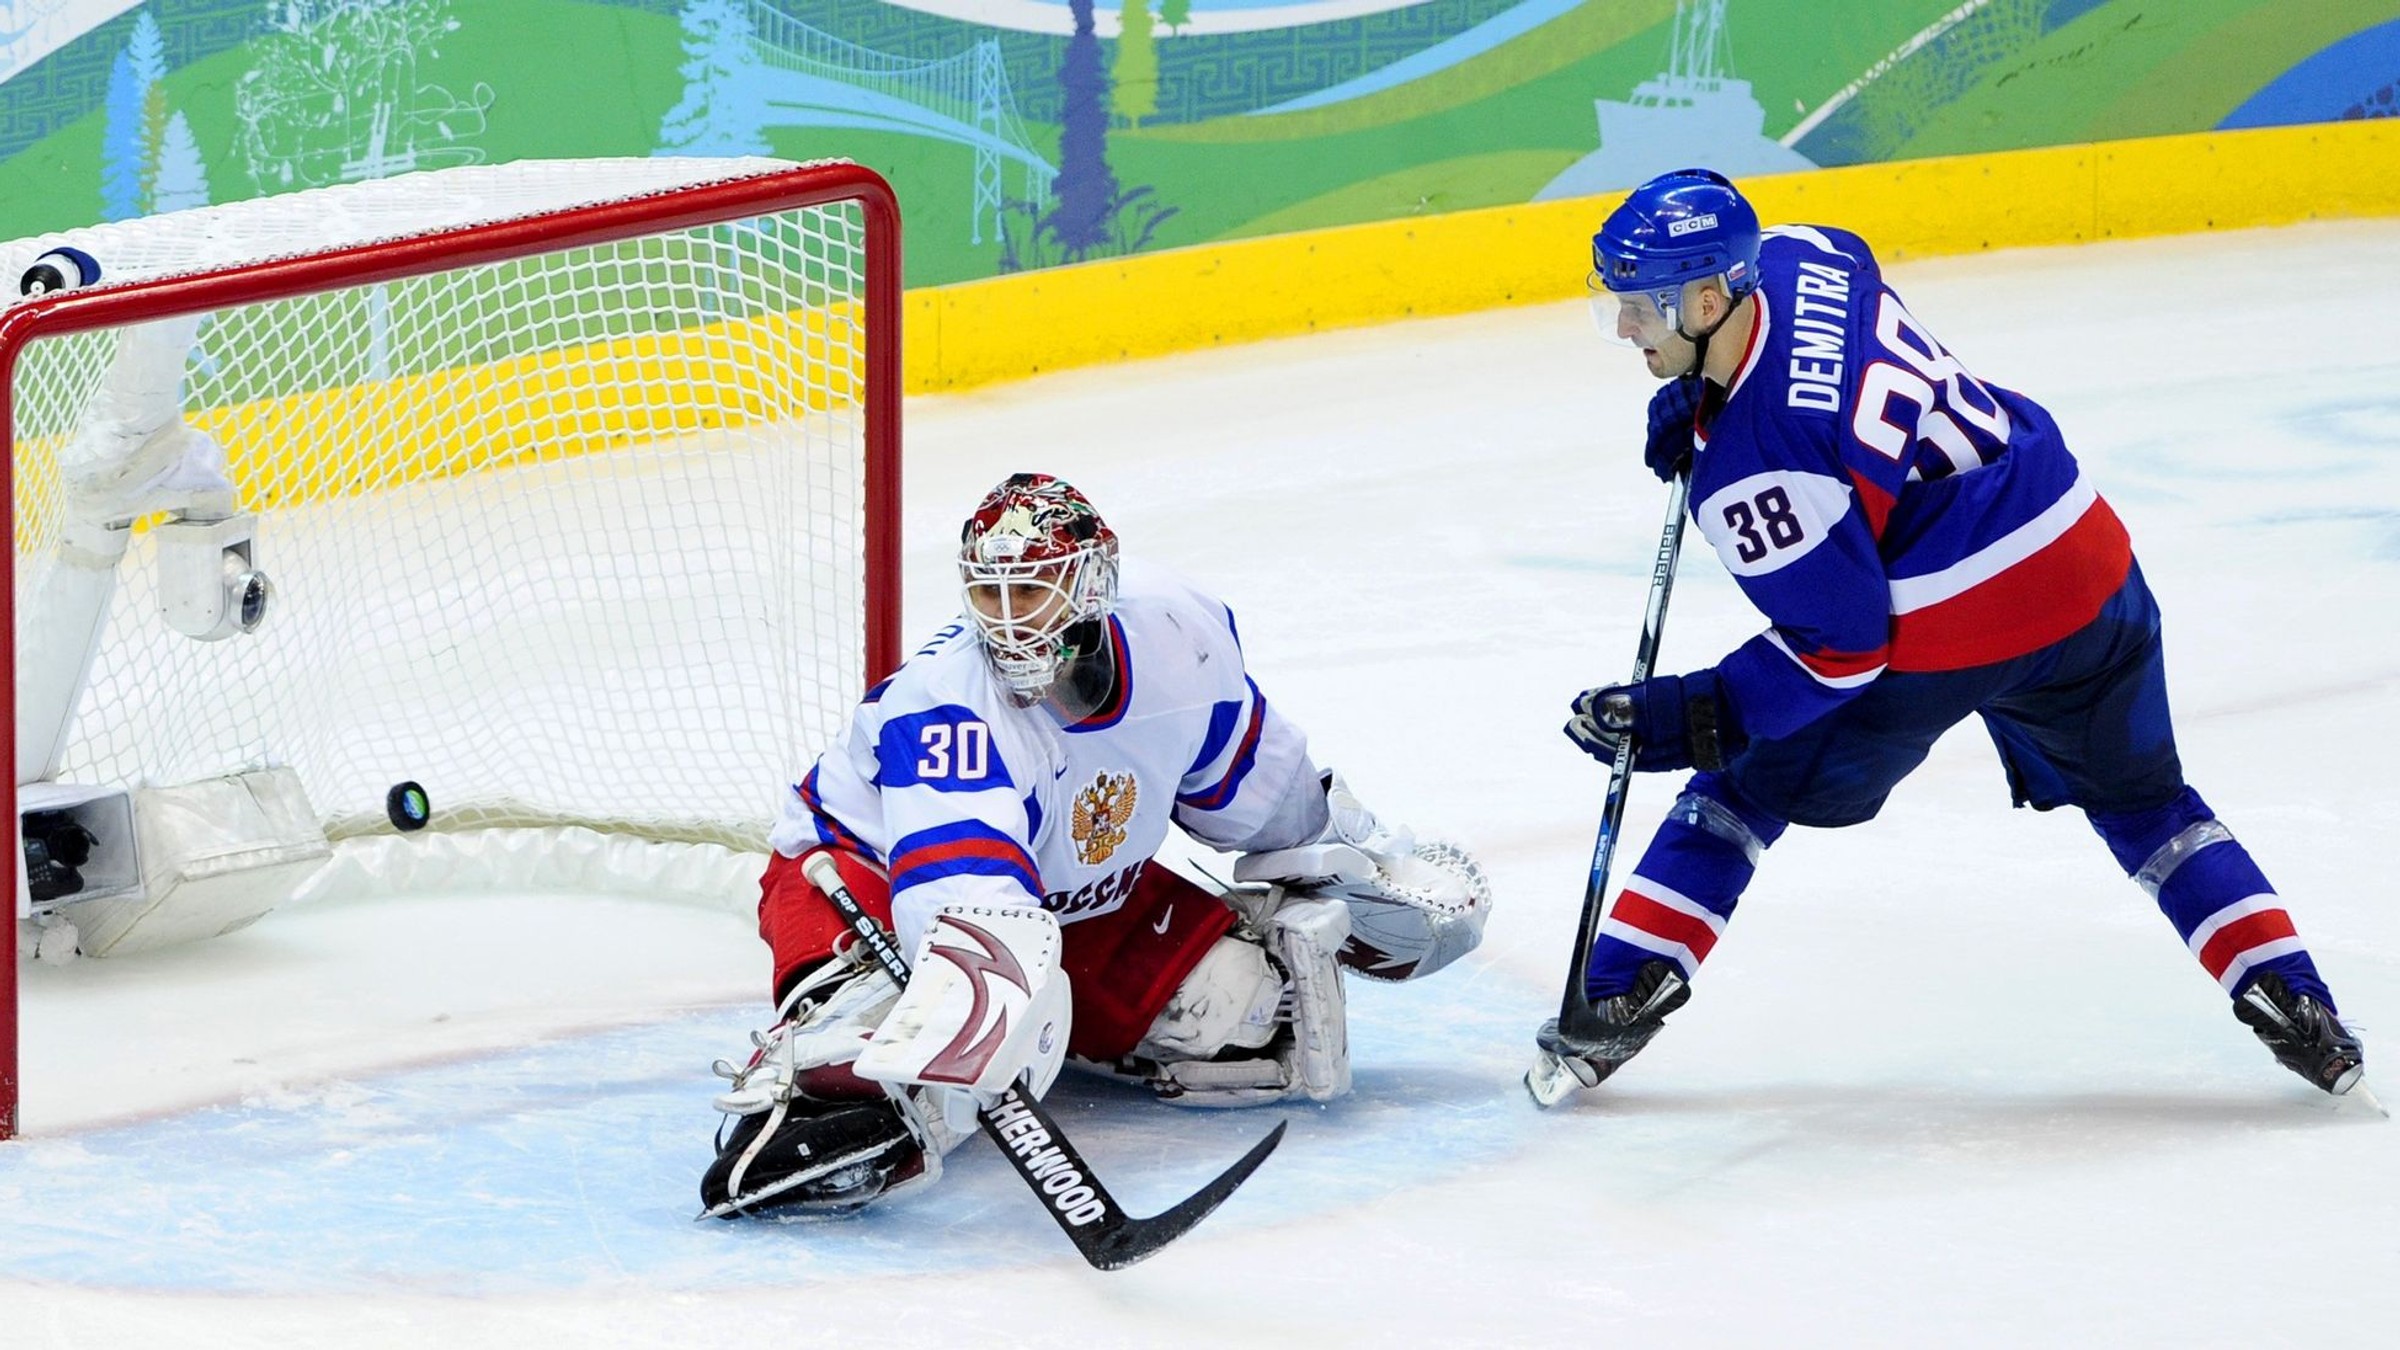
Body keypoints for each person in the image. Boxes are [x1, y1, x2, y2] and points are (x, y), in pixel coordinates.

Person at [1540, 168, 2364, 1102]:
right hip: (2083, 560)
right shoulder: (1806, 250)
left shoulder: (1756, 467)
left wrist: (1697, 712)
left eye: (1642, 310)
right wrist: (1709, 395)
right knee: (2147, 807)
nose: (1626, 331)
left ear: (1704, 296)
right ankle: (2300, 1007)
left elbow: (1840, 647)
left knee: (1737, 784)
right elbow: (1836, 313)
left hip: (1949, 622)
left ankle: (1609, 1006)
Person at [703, 472, 1492, 1216]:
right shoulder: (947, 713)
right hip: (867, 874)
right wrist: (983, 1020)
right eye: (990, 591)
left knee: (1241, 1013)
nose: (1009, 615)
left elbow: (1253, 797)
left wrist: (1352, 859)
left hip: (1078, 893)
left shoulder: (1179, 632)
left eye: (1033, 591)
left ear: (1091, 584)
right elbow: (965, 911)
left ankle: (1071, 1026)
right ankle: (809, 1087)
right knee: (892, 1059)